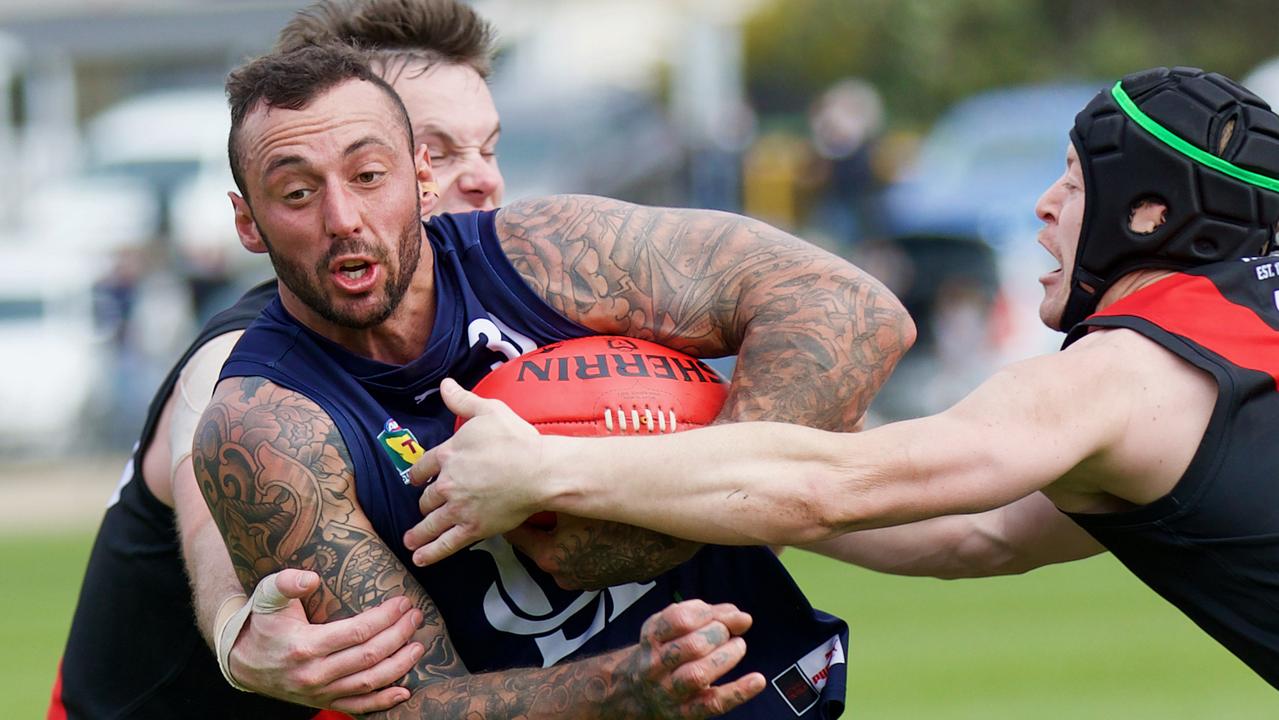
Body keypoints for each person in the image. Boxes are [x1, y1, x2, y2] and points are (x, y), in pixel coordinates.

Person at [407, 66, 1279, 690]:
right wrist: (696, 425)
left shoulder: (1118, 375)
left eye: (1072, 181)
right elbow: (984, 534)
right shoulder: (1231, 337)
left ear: (1150, 214)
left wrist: (549, 469)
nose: (1043, 206)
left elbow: (838, 487)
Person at [193, 40, 914, 718]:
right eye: (294, 193)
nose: (342, 218)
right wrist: (622, 689)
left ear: (419, 175)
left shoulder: (547, 255)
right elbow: (404, 704)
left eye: (367, 175)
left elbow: (850, 309)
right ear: (247, 222)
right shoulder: (265, 427)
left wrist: (661, 523)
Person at [51, 2, 512, 717]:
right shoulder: (245, 355)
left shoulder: (485, 304)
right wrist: (236, 627)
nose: (481, 180)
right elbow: (209, 468)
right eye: (441, 151)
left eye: (487, 148)